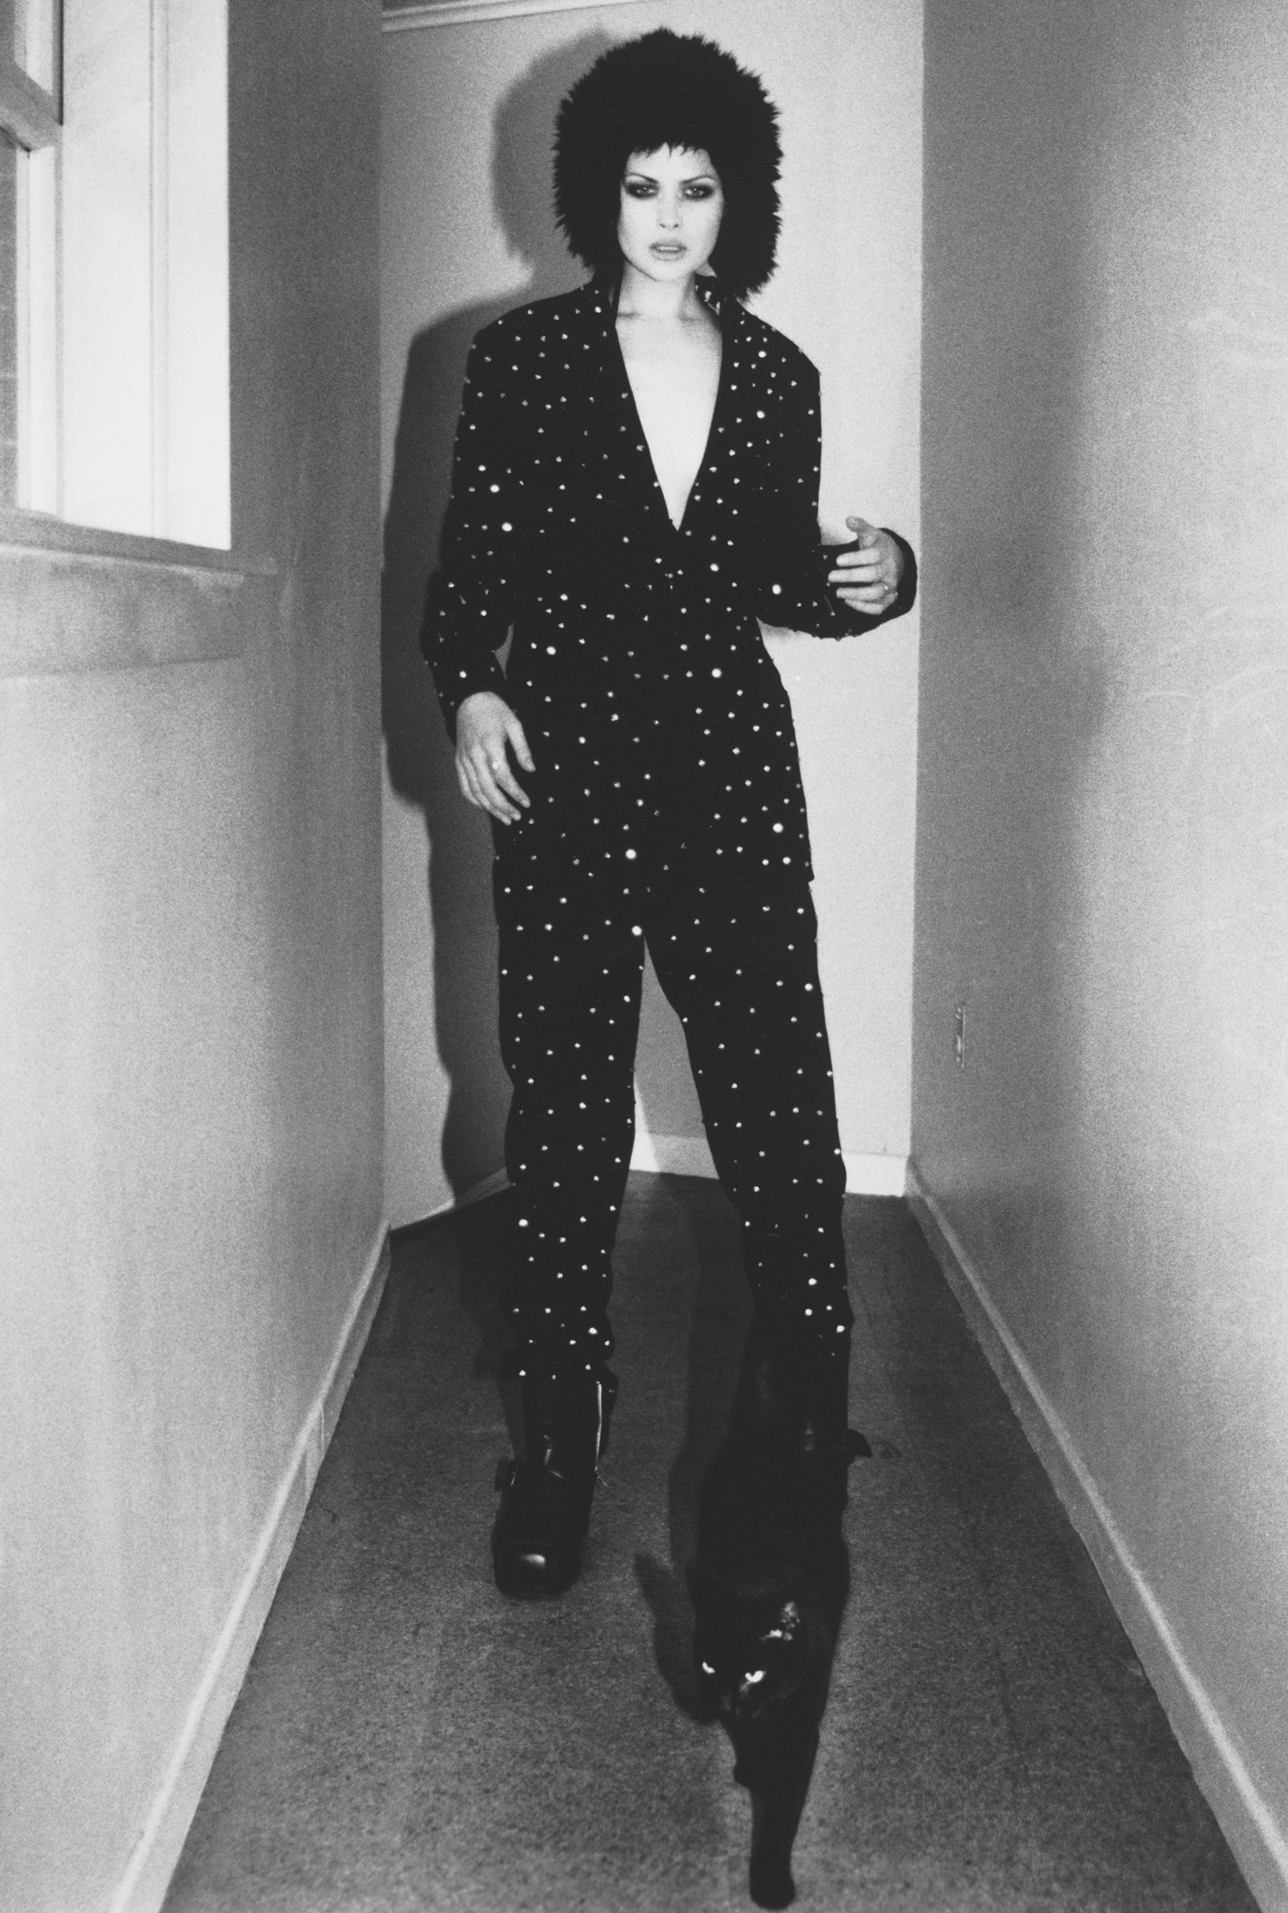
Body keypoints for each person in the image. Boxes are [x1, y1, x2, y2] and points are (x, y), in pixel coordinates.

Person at [420, 29, 917, 1598]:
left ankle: (802, 1434)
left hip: (727, 769)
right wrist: (472, 692)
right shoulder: (521, 360)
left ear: (736, 200)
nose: (668, 216)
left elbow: (776, 574)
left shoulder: (778, 375)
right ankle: (557, 1448)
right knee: (564, 1118)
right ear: (600, 191)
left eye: (698, 188)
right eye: (642, 185)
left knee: (782, 1110)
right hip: (564, 766)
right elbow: (469, 576)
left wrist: (878, 578)